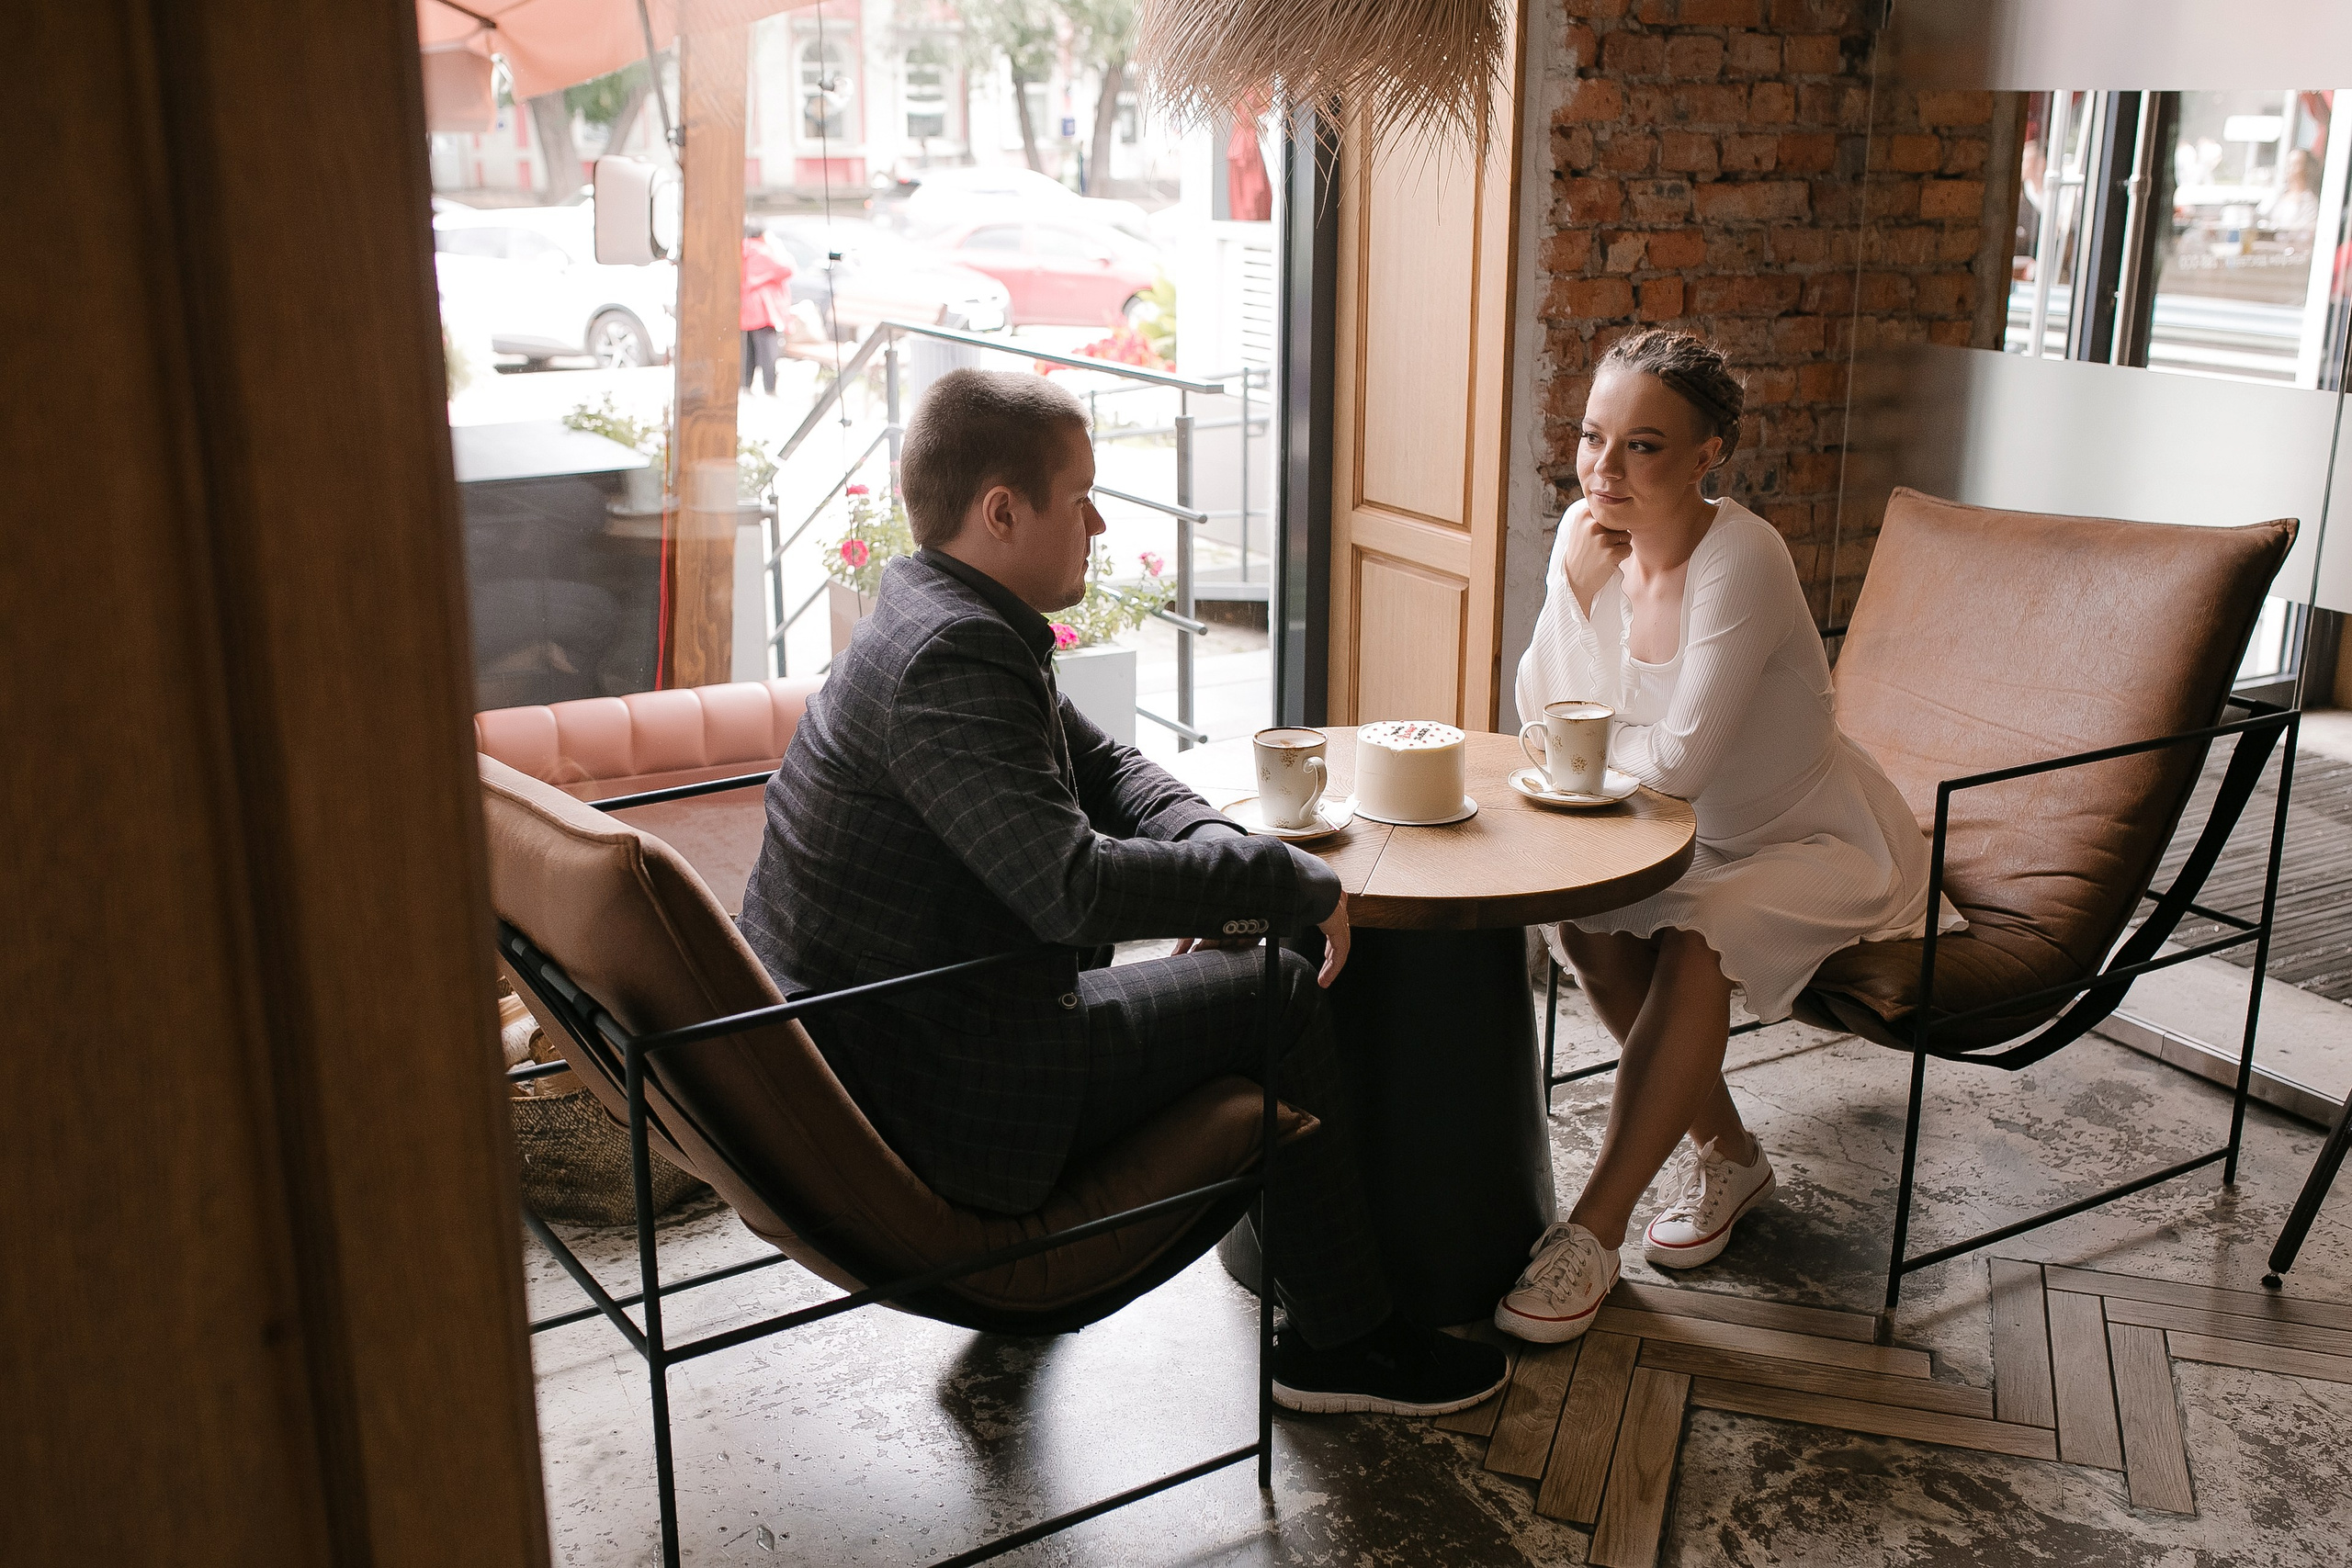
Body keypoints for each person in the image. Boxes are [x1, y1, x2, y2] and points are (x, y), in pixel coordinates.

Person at [739, 368, 1506, 1416]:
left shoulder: (941, 614)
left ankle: (1333, 1302)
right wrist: (1276, 881)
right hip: (951, 1099)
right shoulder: (952, 657)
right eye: (1081, 496)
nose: (1099, 521)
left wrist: (1221, 848)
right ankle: (1349, 1344)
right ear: (1002, 511)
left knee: (1249, 951)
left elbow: (1107, 770)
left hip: (899, 1046)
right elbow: (1071, 889)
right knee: (1279, 992)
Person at [1498, 329, 1962, 1344]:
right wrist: (1564, 590)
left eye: (1642, 447)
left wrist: (1595, 726)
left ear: (1707, 454)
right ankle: (1734, 1158)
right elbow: (1539, 721)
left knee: (1698, 937)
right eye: (1591, 438)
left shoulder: (1740, 556)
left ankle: (1592, 1234)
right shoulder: (1592, 541)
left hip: (1817, 843)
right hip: (1692, 840)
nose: (1603, 470)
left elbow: (1676, 766)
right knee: (1588, 926)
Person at [741, 223, 792, 397]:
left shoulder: (741, 250)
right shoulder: (763, 251)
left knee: (749, 350)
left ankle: (745, 385)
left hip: (744, 306)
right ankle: (769, 388)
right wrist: (775, 243)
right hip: (762, 309)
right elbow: (787, 268)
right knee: (767, 350)